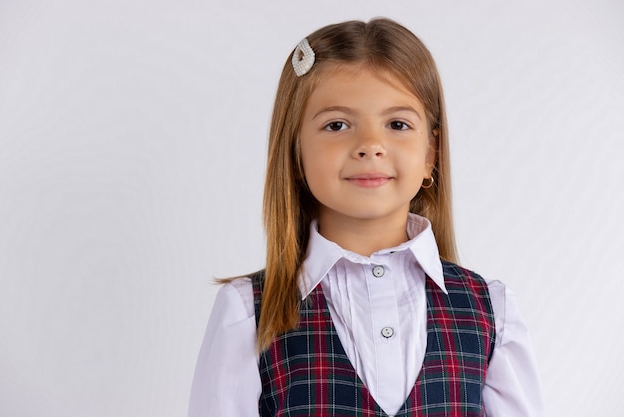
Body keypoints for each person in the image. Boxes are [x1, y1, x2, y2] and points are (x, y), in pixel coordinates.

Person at [189, 18, 544, 417]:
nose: (370, 146)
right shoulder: (247, 314)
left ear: (431, 154)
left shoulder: (490, 311)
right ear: (296, 154)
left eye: (397, 124)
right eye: (337, 125)